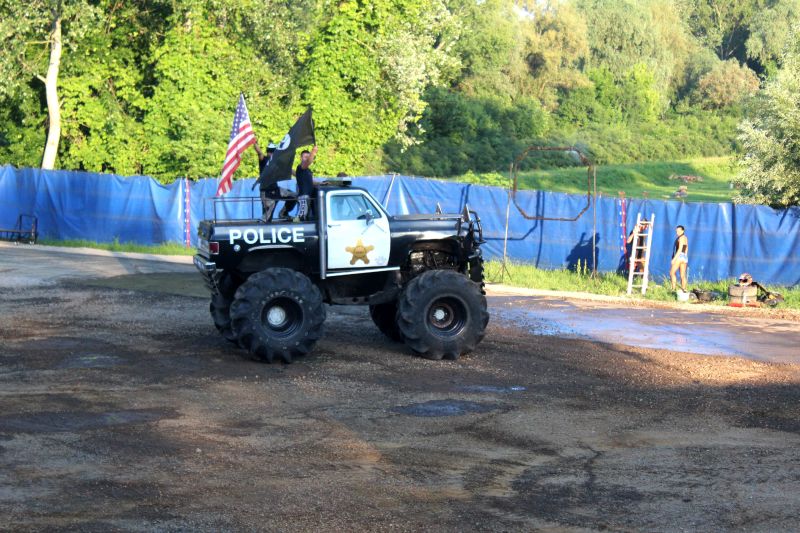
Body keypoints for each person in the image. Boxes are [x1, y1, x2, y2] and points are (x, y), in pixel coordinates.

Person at [255, 141, 295, 222]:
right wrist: (254, 142)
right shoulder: (264, 160)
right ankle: (262, 222)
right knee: (267, 219)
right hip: (266, 192)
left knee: (293, 196)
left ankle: (283, 214)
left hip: (276, 190)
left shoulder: (277, 162)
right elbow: (259, 152)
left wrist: (300, 174)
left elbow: (289, 169)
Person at [294, 146, 318, 221]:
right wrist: (313, 152)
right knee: (301, 217)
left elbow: (311, 181)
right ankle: (296, 226)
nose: (307, 159)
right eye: (305, 157)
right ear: (301, 158)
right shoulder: (300, 167)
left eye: (308, 157)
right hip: (303, 197)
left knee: (306, 216)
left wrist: (322, 183)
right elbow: (308, 162)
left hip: (308, 196)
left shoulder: (307, 170)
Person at [670, 225, 689, 292]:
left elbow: (680, 249)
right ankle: (684, 290)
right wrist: (685, 256)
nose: (677, 232)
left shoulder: (681, 238)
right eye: (676, 231)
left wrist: (674, 259)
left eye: (679, 231)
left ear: (683, 231)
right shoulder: (685, 238)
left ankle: (673, 289)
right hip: (684, 257)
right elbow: (686, 248)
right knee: (682, 275)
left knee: (672, 273)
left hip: (679, 256)